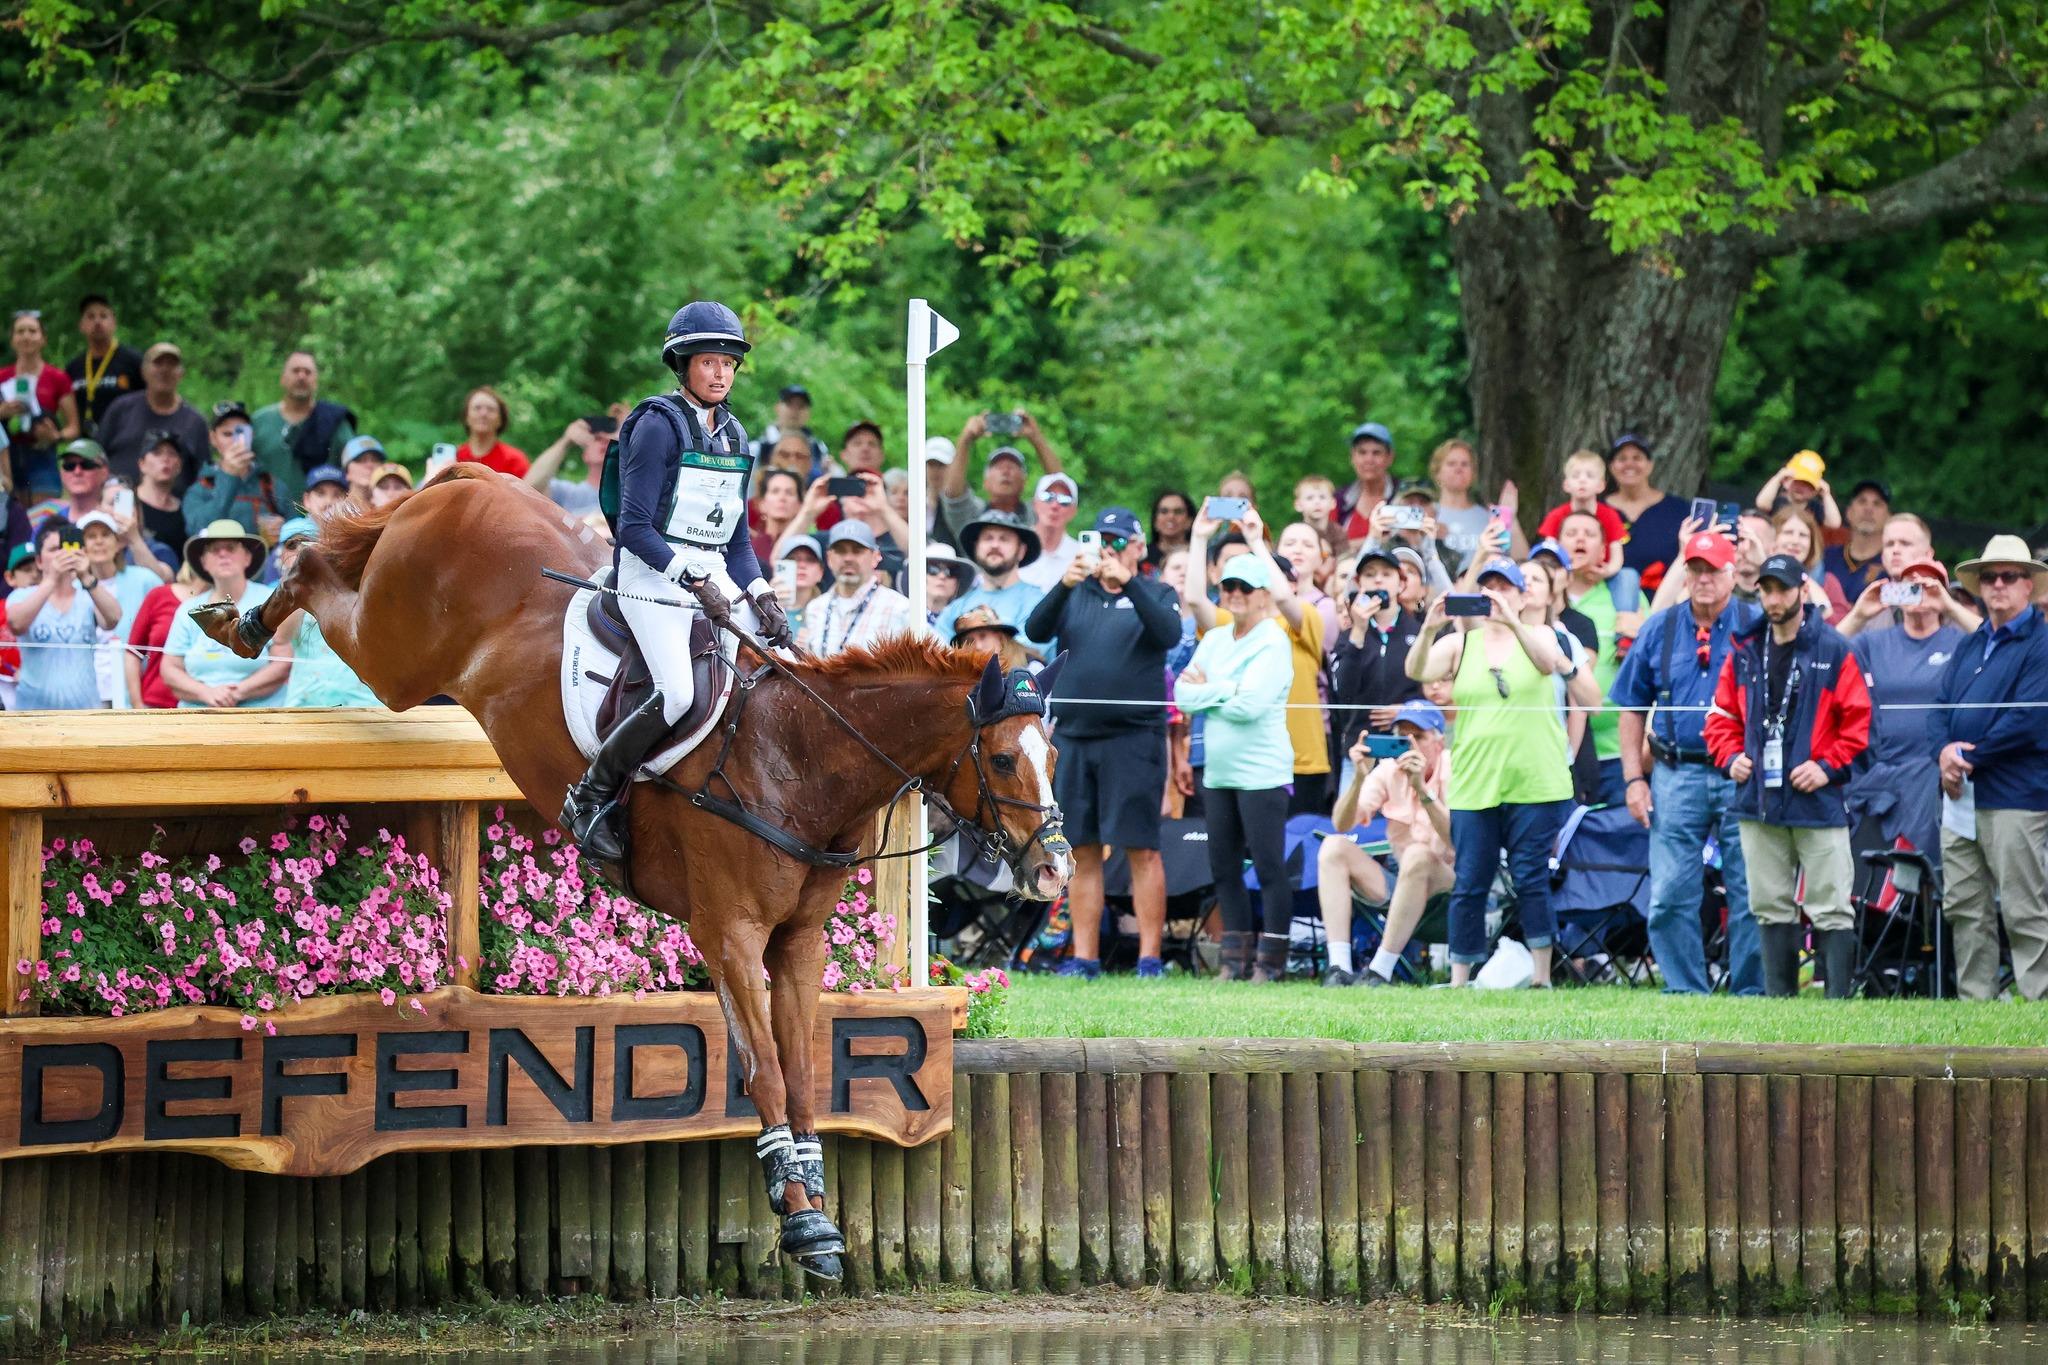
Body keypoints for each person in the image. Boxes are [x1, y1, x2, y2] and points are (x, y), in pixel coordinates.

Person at [559, 300, 791, 869]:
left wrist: (762, 594)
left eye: (729, 363)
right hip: (649, 572)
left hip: (709, 571)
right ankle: (590, 797)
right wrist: (688, 577)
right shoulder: (657, 425)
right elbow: (634, 528)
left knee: (783, 661)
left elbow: (734, 539)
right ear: (683, 365)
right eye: (709, 362)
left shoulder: (735, 436)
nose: (720, 373)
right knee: (680, 692)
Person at [1025, 507, 1182, 980]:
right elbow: (1035, 630)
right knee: (1082, 850)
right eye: (1103, 540)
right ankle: (1084, 957)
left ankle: (1150, 959)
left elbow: (1169, 634)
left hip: (1134, 738)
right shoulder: (1077, 593)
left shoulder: (1156, 591)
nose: (1109, 550)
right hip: (1075, 736)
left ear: (1137, 547)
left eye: (1119, 541)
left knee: (1141, 848)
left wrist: (1128, 581)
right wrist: (1066, 583)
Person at [1704, 554, 1871, 997]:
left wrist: (1827, 767)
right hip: (1758, 797)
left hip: (1818, 797)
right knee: (1767, 904)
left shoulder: (1834, 649)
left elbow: (1862, 726)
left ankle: (1837, 1001)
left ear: (1803, 590)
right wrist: (1730, 756)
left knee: (1832, 906)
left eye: (1782, 589)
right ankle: (1781, 1000)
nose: (1774, 599)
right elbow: (1719, 717)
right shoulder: (1743, 650)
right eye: (1766, 589)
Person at [1406, 558, 1575, 987]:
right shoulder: (1462, 644)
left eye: (1505, 587)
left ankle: (1542, 977)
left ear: (1521, 595)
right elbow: (1416, 671)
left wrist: (1514, 624)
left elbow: (1546, 664)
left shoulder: (1541, 633)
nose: (1496, 594)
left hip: (1534, 779)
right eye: (1488, 588)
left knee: (1531, 876)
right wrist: (1429, 628)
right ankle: (1460, 978)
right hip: (1476, 779)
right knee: (1471, 879)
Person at [1609, 531, 1765, 995]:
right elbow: (1631, 707)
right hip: (1676, 771)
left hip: (1741, 773)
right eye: (1695, 569)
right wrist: (1634, 780)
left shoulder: (1756, 625)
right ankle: (1684, 989)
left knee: (1750, 891)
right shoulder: (1660, 627)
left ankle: (1751, 990)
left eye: (1713, 570)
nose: (1703, 579)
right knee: (1671, 894)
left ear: (1732, 574)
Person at [1930, 536, 2048, 1001]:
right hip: (1961, 795)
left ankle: (2039, 1001)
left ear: (2028, 585)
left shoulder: (2041, 643)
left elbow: (2029, 718)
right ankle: (1977, 1002)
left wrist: (1967, 756)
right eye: (1990, 576)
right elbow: (1939, 705)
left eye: (2009, 576)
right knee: (1965, 904)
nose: (1998, 584)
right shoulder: (1971, 643)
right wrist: (1942, 751)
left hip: (2015, 794)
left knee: (2024, 906)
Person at [1173, 553, 1296, 982]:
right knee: (1223, 867)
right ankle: (1234, 962)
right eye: (1228, 587)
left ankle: (1271, 963)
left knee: (1268, 866)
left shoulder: (1274, 639)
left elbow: (1251, 706)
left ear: (1264, 595)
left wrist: (1211, 690)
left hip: (1263, 771)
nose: (1236, 595)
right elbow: (1182, 695)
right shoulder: (1215, 639)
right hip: (1219, 771)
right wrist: (1226, 691)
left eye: (1245, 587)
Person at [1317, 699, 1456, 987]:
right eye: (1403, 737)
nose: (1409, 744)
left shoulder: (1454, 768)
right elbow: (1342, 824)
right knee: (1333, 846)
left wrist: (1421, 789)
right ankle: (1338, 968)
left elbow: (1459, 839)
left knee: (1419, 855)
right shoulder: (1387, 769)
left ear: (1439, 741)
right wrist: (1358, 778)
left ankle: (1380, 970)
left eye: (1418, 736)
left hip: (1449, 884)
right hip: (1400, 879)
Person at [1847, 556, 1975, 866]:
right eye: (1910, 585)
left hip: (1931, 767)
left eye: (1927, 585)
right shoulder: (1872, 642)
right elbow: (1820, 654)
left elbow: (2002, 647)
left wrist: (1949, 606)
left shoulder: (1959, 642)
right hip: (1878, 765)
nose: (1918, 591)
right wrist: (1859, 614)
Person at [161, 520, 292, 708]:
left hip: (262, 715)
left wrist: (238, 692)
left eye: (230, 548)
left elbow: (283, 661)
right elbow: (169, 669)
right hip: (199, 717)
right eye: (214, 549)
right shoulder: (188, 610)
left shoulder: (270, 601)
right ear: (204, 562)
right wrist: (206, 693)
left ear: (247, 557)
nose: (223, 554)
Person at [1558, 509, 1640, 803]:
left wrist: (1639, 633)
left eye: (1590, 534)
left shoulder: (1626, 598)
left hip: (1617, 747)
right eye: (1571, 533)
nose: (1580, 539)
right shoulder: (1541, 599)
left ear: (1604, 547)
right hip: (1558, 746)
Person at [1329, 547, 1425, 785]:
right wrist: (1358, 631)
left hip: (1407, 749)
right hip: (1360, 751)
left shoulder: (1419, 631)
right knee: (1352, 820)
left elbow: (1432, 689)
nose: (1378, 579)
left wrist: (1405, 711)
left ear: (1401, 583)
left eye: (1386, 573)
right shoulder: (1350, 635)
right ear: (1358, 583)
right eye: (1370, 574)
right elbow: (1343, 691)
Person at [5, 520, 121, 709]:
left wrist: (85, 576)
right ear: (39, 561)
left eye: (66, 547)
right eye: (54, 549)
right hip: (33, 716)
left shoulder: (90, 592)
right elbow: (16, 624)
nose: (63, 554)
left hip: (85, 714)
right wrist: (51, 580)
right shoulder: (23, 595)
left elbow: (113, 619)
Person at [272, 517, 381, 708]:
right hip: (306, 702)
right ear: (281, 554)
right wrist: (297, 585)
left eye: (308, 544)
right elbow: (282, 636)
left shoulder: (352, 586)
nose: (300, 551)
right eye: (292, 545)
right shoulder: (281, 593)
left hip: (361, 702)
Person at [75, 509, 168, 706]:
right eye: (90, 536)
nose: (99, 541)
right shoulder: (70, 588)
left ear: (118, 543)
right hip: (87, 691)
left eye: (106, 534)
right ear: (80, 546)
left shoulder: (144, 579)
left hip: (136, 689)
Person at [250, 351, 355, 516]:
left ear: (316, 381)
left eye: (307, 372)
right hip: (268, 519)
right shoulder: (259, 422)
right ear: (283, 378)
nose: (301, 376)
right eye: (295, 371)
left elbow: (355, 470)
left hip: (322, 521)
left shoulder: (334, 422)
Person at [95, 342, 206, 491]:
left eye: (172, 365)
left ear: (181, 373)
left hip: (172, 507)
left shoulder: (194, 421)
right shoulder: (121, 409)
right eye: (158, 363)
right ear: (143, 371)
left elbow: (204, 478)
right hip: (119, 502)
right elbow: (97, 457)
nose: (165, 370)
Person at [796, 522, 916, 656]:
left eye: (857, 550)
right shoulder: (815, 608)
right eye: (841, 551)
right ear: (829, 558)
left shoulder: (900, 609)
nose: (848, 558)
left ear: (876, 557)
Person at [934, 509, 1046, 646]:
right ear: (976, 548)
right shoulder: (956, 607)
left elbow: (1034, 651)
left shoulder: (1038, 602)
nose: (995, 545)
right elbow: (938, 652)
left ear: (1021, 551)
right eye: (988, 538)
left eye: (1004, 539)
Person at [941, 410, 1064, 532]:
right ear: (986, 482)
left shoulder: (1037, 515)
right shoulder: (971, 516)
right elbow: (953, 495)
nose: (1006, 472)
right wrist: (966, 438)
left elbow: (1061, 488)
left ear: (1024, 482)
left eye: (1012, 467)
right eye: (999, 468)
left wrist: (1036, 437)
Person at [1, 310, 79, 501]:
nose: (26, 336)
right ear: (12, 340)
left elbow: (74, 428)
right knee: (12, 524)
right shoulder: (2, 377)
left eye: (32, 331)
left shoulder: (58, 378)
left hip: (42, 455)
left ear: (43, 338)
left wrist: (56, 436)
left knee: (44, 523)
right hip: (6, 458)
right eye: (20, 331)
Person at [1602, 434, 1689, 593]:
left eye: (1637, 458)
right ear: (1612, 467)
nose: (1629, 464)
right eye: (1622, 459)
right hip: (1605, 600)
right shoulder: (1597, 510)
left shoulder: (1679, 509)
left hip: (1665, 599)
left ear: (1650, 465)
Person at [182, 401, 281, 536]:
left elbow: (299, 529)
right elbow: (196, 530)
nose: (235, 441)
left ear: (251, 435)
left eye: (242, 433)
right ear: (213, 438)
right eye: (227, 434)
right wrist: (229, 476)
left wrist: (285, 527)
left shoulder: (270, 484)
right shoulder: (200, 488)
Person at [1535, 450, 1627, 581]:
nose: (1582, 480)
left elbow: (1617, 554)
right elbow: (1550, 551)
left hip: (1602, 574)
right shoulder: (1556, 515)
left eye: (1589, 476)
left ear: (1601, 486)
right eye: (1576, 476)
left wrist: (1607, 572)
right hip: (1566, 573)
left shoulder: (1610, 515)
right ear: (1566, 485)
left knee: (1628, 575)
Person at [125, 561, 206, 709]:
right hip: (156, 706)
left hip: (210, 706)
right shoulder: (159, 595)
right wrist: (137, 705)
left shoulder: (232, 602)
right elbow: (133, 652)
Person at [65, 296, 145, 439]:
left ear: (114, 322)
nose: (97, 321)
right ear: (81, 325)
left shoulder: (134, 361)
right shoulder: (73, 368)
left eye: (103, 316)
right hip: (87, 446)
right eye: (90, 316)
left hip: (125, 441)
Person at [1429, 438, 1505, 573]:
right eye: (1451, 464)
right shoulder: (1427, 514)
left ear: (1473, 473)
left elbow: (1516, 558)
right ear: (1437, 472)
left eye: (1465, 464)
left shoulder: (1487, 517)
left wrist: (1511, 514)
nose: (1458, 469)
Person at [524, 416, 617, 518]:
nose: (606, 442)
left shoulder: (633, 495)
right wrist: (566, 441)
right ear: (585, 455)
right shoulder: (567, 493)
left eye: (613, 439)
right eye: (598, 438)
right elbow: (528, 488)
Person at [1769, 505, 1850, 620]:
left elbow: (1842, 630)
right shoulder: (1757, 576)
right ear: (1773, 537)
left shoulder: (1828, 582)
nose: (1795, 541)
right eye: (1788, 532)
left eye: (1803, 535)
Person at [26, 437, 111, 532]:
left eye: (86, 465)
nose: (77, 472)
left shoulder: (117, 519)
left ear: (104, 472)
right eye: (69, 466)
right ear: (61, 473)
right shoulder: (44, 517)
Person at [1824, 480, 1890, 600]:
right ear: (1849, 513)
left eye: (1877, 504)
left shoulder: (1892, 563)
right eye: (1862, 501)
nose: (1868, 509)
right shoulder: (1826, 556)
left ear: (1888, 518)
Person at [1018, 472, 1082, 590]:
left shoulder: (1080, 556)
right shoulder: (1016, 548)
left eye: (1064, 500)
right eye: (1047, 497)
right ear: (1035, 504)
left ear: (1073, 511)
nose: (1054, 506)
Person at [749, 384, 828, 477]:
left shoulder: (819, 449)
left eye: (801, 406)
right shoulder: (756, 449)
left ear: (808, 412)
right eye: (789, 404)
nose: (795, 410)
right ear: (777, 407)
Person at [1754, 449, 1842, 531]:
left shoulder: (1815, 508)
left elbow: (1834, 524)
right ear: (1786, 481)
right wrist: (1778, 478)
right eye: (1797, 481)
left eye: (1808, 485)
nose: (1801, 487)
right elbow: (1761, 503)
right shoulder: (1777, 501)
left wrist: (1826, 495)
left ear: (1815, 491)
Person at [132, 430, 187, 553]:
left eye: (172, 454)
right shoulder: (126, 501)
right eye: (157, 453)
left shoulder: (186, 507)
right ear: (142, 464)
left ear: (179, 465)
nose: (165, 459)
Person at [454, 386, 528, 477]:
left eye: (491, 409)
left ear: (500, 420)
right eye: (477, 408)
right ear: (466, 417)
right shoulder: (454, 457)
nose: (483, 414)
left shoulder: (514, 460)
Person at [1337, 421, 1395, 528]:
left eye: (1376, 453)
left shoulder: (1405, 495)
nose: (1369, 460)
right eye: (1362, 452)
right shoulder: (1339, 500)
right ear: (1352, 457)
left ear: (1389, 457)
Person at [748, 467, 806, 564]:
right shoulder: (748, 549)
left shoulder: (806, 547)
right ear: (762, 503)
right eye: (775, 491)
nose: (782, 498)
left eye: (789, 493)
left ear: (800, 505)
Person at [773, 535, 826, 637]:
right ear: (780, 567)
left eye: (810, 560)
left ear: (821, 572)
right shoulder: (763, 606)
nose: (802, 565)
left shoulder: (828, 611)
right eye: (793, 559)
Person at [950, 604, 1030, 672]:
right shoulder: (963, 681)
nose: (978, 646)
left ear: (1000, 636)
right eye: (970, 641)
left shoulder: (1031, 667)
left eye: (983, 636)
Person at [1292, 475, 1348, 570]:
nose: (1317, 502)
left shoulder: (1338, 532)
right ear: (1298, 505)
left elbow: (1344, 561)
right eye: (1310, 498)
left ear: (1333, 503)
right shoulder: (1294, 533)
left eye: (1322, 497)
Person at [922, 542, 975, 624]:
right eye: (933, 569)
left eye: (951, 572)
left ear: (957, 584)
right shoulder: (902, 616)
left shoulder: (967, 623)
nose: (942, 576)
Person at [1145, 490, 1194, 572]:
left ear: (1189, 521)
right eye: (1164, 511)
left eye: (1178, 512)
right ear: (1155, 521)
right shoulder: (1142, 555)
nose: (1171, 516)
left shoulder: (1200, 554)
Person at [341, 435, 387, 506]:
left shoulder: (395, 506)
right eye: (360, 460)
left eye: (375, 460)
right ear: (346, 472)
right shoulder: (335, 513)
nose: (369, 465)